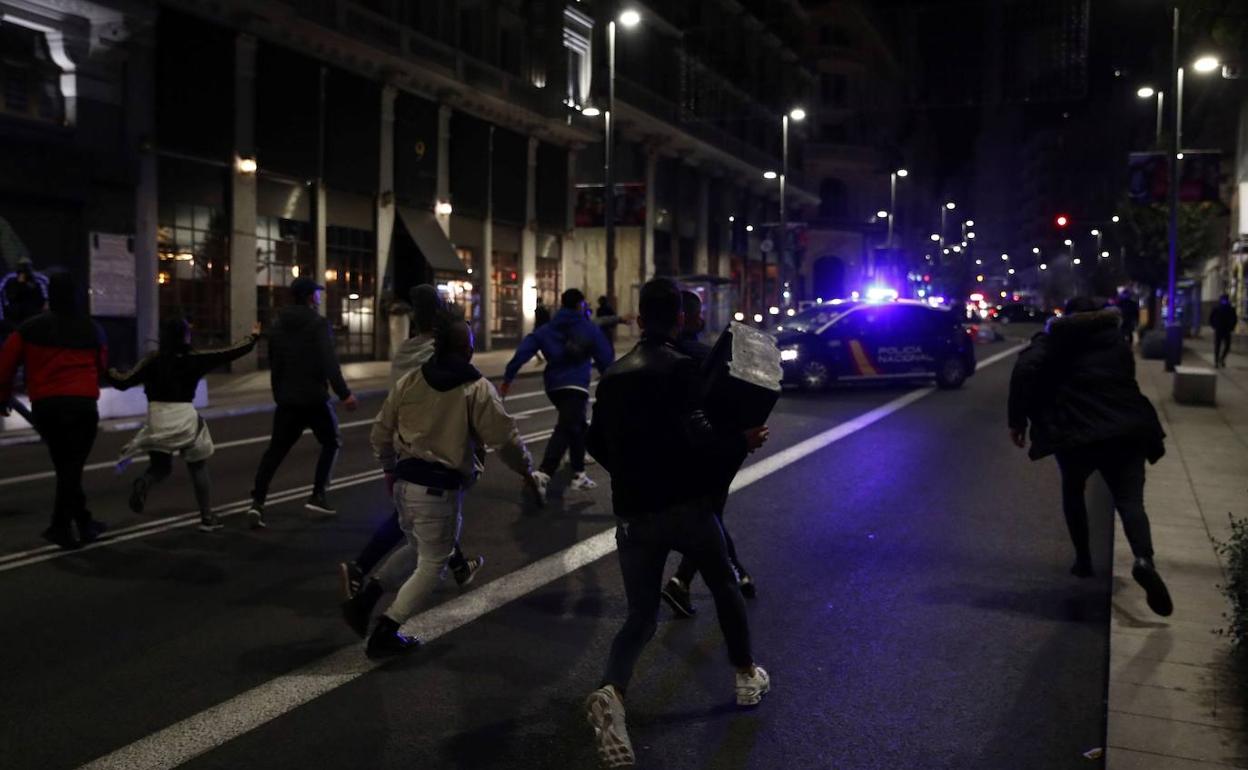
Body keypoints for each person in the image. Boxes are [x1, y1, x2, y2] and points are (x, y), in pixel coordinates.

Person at [583, 278, 771, 767]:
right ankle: (746, 675)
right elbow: (700, 437)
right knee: (724, 584)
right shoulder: (683, 369)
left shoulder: (614, 374)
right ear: (681, 319)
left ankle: (612, 690)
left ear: (639, 317)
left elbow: (595, 442)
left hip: (633, 514)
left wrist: (630, 473)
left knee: (640, 616)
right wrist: (742, 441)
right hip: (685, 508)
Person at [353, 309, 543, 658]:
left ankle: (365, 599)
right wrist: (526, 472)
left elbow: (380, 432)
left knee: (418, 548)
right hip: (437, 489)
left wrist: (389, 469)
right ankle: (386, 630)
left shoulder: (410, 381)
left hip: (405, 485)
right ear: (466, 349)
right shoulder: (475, 388)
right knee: (434, 564)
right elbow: (505, 440)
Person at [1008, 296, 1173, 617]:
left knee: (1073, 490)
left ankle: (1083, 560)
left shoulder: (1055, 340)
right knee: (1130, 500)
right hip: (1125, 427)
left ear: (1067, 315)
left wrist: (1018, 420)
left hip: (1077, 431)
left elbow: (1026, 366)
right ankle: (1143, 560)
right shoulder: (1116, 340)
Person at [338, 285, 484, 601]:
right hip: (433, 443)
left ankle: (460, 567)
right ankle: (361, 570)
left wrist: (387, 463)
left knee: (431, 512)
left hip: (404, 440)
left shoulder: (405, 351)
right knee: (422, 513)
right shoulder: (439, 355)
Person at [107, 317, 260, 532]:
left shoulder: (153, 360)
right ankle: (207, 518)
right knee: (197, 465)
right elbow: (228, 353)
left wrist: (108, 369)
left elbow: (123, 381)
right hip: (184, 419)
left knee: (161, 467)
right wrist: (252, 338)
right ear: (185, 336)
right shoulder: (194, 358)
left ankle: (144, 482)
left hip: (157, 419)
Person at [661, 290, 754, 618]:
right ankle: (683, 581)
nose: (702, 318)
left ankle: (735, 572)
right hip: (707, 450)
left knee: (709, 515)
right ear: (686, 318)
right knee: (708, 517)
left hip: (667, 453)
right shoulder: (703, 356)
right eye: (698, 313)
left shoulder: (654, 357)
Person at [0, 272, 108, 549]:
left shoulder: (28, 329)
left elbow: (5, 364)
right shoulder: (92, 329)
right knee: (72, 467)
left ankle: (84, 522)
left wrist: (3, 398)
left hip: (46, 408)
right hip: (82, 407)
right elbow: (103, 366)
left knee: (66, 467)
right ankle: (60, 526)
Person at [247, 276, 357, 528]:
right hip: (314, 398)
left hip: (287, 399)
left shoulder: (277, 324)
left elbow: (274, 363)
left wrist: (279, 393)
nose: (319, 297)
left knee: (275, 451)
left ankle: (257, 503)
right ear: (309, 297)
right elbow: (329, 362)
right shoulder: (318, 324)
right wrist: (344, 394)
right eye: (317, 293)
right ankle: (318, 496)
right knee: (331, 442)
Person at [500, 288, 613, 494]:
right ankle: (545, 473)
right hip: (576, 385)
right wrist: (610, 378)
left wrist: (508, 378)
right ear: (580, 305)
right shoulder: (587, 327)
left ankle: (579, 473)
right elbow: (605, 357)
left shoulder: (548, 328)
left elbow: (524, 350)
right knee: (567, 425)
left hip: (553, 386)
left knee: (576, 424)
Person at [1209, 294, 1237, 368]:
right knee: (1219, 346)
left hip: (1225, 330)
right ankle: (1217, 361)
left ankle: (1220, 360)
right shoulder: (1218, 308)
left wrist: (1231, 327)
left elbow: (1234, 319)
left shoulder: (1230, 308)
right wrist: (1214, 326)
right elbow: (1211, 318)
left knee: (1225, 346)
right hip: (1221, 329)